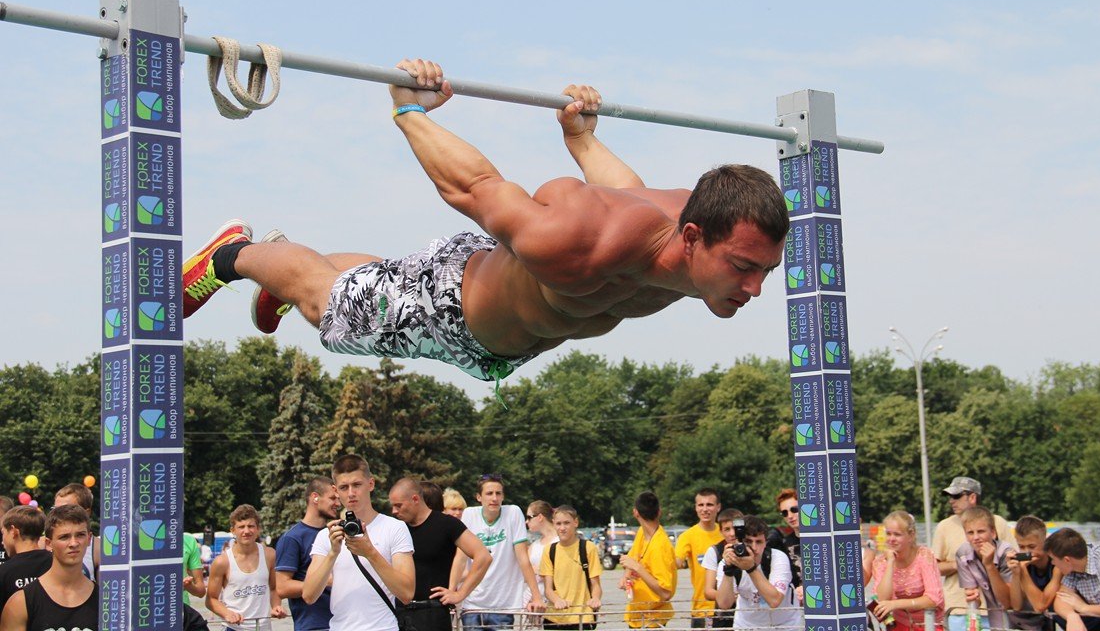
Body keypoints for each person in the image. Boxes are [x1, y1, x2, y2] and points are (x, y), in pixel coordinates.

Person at [181, 58, 789, 387]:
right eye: (743, 267)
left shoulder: (688, 217)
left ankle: (279, 267)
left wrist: (580, 138)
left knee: (369, 281)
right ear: (692, 238)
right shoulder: (580, 240)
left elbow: (626, 190)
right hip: (455, 309)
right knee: (327, 304)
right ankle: (233, 257)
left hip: (503, 318)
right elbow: (475, 188)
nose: (755, 287)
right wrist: (412, 113)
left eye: (763, 270)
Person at [303, 455, 415, 631]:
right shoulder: (327, 535)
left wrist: (370, 552)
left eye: (357, 485)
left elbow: (407, 593)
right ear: (335, 490)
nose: (351, 493)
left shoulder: (395, 528)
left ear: (370, 484)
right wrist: (333, 553)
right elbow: (309, 596)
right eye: (343, 487)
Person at [388, 477, 492, 631]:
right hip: (399, 613)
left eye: (398, 505)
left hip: (433, 614)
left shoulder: (447, 524)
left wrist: (460, 593)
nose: (394, 511)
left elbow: (483, 556)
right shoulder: (396, 528)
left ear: (415, 499)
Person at [456, 474, 544, 631]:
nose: (494, 498)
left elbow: (523, 559)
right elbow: (460, 558)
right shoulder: (469, 515)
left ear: (503, 496)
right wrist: (452, 591)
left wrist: (536, 596)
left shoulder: (513, 513)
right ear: (479, 497)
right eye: (489, 493)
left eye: (498, 493)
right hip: (472, 603)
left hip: (502, 604)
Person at [0, 504, 97, 631]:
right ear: (48, 543)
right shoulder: (21, 602)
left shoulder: (105, 600)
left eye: (80, 535)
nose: (74, 543)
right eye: (64, 537)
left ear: (89, 539)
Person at [931, 476, 1011, 629]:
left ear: (972, 497)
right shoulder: (944, 526)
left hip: (996, 609)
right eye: (949, 497)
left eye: (956, 496)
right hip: (958, 609)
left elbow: (1012, 560)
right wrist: (962, 564)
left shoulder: (998, 522)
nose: (951, 501)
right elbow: (934, 568)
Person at [206, 504, 287, 631]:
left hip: (263, 627)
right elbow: (211, 599)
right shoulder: (222, 561)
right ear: (233, 530)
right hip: (234, 627)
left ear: (258, 529)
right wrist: (227, 613)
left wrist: (276, 606)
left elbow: (274, 589)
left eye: (251, 526)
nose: (246, 531)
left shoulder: (270, 554)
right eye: (241, 527)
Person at [276, 476, 341, 631]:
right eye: (332, 498)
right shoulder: (292, 538)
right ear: (315, 497)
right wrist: (323, 581)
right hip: (314, 625)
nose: (338, 504)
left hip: (344, 622)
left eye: (338, 499)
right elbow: (282, 587)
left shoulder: (336, 532)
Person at [715, 515, 799, 631]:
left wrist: (751, 569)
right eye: (748, 541)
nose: (754, 547)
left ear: (766, 542)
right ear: (739, 541)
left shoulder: (777, 557)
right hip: (747, 625)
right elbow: (724, 605)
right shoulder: (727, 561)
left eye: (759, 542)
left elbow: (774, 601)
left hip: (785, 624)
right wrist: (728, 571)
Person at [868, 510, 944, 631]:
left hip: (929, 624)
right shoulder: (880, 562)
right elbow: (882, 599)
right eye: (888, 534)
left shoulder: (924, 555)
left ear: (911, 535)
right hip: (899, 625)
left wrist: (896, 604)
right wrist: (890, 563)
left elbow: (933, 599)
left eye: (897, 534)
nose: (891, 539)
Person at [619, 491, 677, 629]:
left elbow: (665, 593)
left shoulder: (661, 546)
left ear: (635, 512)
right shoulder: (641, 532)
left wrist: (638, 568)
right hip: (637, 615)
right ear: (659, 512)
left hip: (653, 620)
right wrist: (626, 577)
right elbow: (632, 559)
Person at [539, 505, 602, 630]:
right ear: (553, 524)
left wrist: (595, 599)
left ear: (576, 522)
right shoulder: (549, 551)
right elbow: (548, 589)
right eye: (558, 524)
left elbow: (596, 585)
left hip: (581, 618)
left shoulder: (588, 548)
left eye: (567, 523)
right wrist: (556, 600)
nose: (562, 528)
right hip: (554, 619)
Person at [955, 506, 1012, 631]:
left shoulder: (1006, 553)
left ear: (993, 532)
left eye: (981, 531)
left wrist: (989, 565)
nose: (975, 538)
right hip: (995, 619)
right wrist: (973, 598)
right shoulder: (962, 553)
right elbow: (973, 599)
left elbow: (1006, 602)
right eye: (970, 533)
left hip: (1022, 618)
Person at [674, 488, 724, 628]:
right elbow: (677, 562)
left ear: (718, 507)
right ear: (695, 508)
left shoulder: (726, 533)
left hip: (728, 606)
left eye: (710, 505)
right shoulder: (687, 536)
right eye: (701, 505)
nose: (705, 509)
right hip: (702, 609)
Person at [0, 506, 51, 610]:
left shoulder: (4, 572)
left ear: (14, 531)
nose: (2, 541)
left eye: (3, 533)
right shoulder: (56, 563)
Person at [703, 508, 744, 630]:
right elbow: (708, 591)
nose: (732, 533)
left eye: (735, 528)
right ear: (720, 531)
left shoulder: (752, 547)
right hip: (724, 616)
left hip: (750, 613)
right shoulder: (715, 551)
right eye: (727, 529)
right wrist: (730, 596)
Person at [51, 483, 99, 579]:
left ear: (86, 512)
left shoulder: (99, 549)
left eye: (68, 509)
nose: (59, 515)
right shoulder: (42, 544)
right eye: (56, 510)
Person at [526, 502, 560, 609]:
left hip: (557, 602)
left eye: (529, 517)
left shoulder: (561, 542)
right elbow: (524, 571)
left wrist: (540, 571)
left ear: (540, 517)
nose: (526, 521)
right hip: (533, 603)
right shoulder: (534, 546)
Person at [771, 488, 803, 589]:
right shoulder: (783, 545)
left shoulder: (823, 539)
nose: (789, 516)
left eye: (794, 510)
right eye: (784, 513)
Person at [182, 531, 206, 603]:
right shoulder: (148, 540)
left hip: (179, 609)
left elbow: (201, 591)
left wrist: (189, 586)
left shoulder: (189, 541)